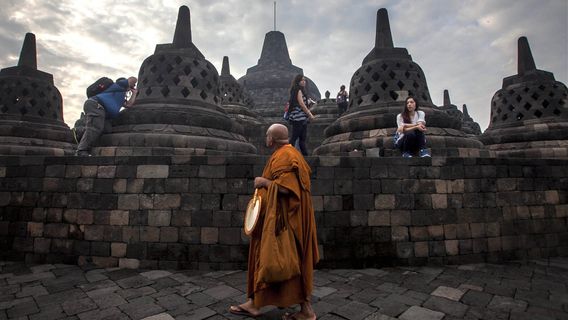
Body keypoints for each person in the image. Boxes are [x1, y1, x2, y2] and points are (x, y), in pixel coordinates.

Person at [229, 123, 319, 320]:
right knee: (277, 258)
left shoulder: (286, 156)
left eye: (267, 135)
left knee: (286, 258)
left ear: (272, 138)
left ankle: (307, 311)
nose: (265, 138)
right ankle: (255, 303)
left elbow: (288, 189)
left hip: (286, 221)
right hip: (281, 218)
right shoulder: (286, 153)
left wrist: (264, 182)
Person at [75, 77, 138, 156]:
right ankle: (81, 150)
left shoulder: (120, 95)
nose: (134, 86)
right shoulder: (119, 85)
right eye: (132, 86)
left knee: (107, 129)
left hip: (103, 112)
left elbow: (128, 105)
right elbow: (133, 79)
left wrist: (134, 93)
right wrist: (131, 85)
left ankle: (83, 134)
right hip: (96, 105)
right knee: (95, 128)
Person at [288, 74, 315, 156]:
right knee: (294, 138)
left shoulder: (302, 91)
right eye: (302, 80)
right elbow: (301, 104)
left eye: (304, 80)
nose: (304, 81)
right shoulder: (298, 90)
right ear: (298, 81)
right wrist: (310, 114)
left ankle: (306, 157)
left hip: (302, 118)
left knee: (302, 139)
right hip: (298, 117)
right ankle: (286, 154)